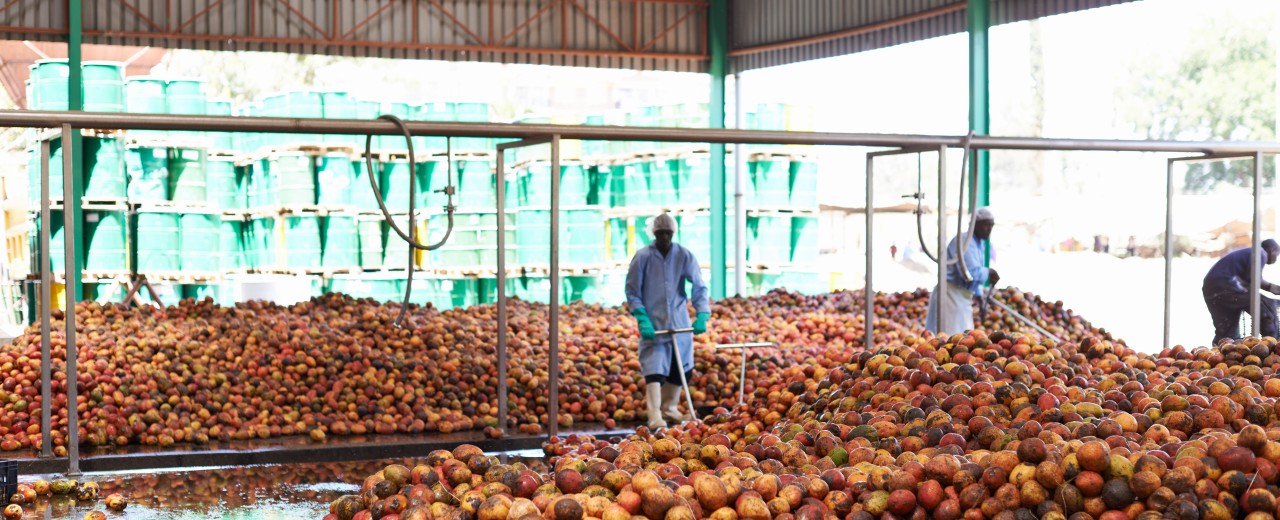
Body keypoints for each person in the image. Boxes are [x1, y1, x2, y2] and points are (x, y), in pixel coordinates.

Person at [625, 213, 710, 429]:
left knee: (680, 368)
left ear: (673, 233)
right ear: (654, 233)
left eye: (668, 233)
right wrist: (642, 317)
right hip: (654, 324)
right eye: (660, 233)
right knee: (654, 369)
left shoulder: (684, 255)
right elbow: (632, 290)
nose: (664, 237)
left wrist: (702, 313)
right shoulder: (643, 257)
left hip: (680, 323)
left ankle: (670, 408)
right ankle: (654, 414)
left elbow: (698, 286)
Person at [925, 207, 999, 334]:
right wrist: (989, 272)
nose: (989, 229)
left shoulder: (979, 243)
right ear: (974, 224)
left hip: (962, 297)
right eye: (986, 225)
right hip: (950, 295)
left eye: (991, 225)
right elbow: (970, 273)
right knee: (950, 340)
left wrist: (979, 296)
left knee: (964, 340)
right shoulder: (965, 241)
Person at [1202, 239, 1280, 344]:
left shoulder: (1248, 253)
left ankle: (1219, 354)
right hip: (1225, 284)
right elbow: (1255, 280)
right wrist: (1275, 289)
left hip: (1211, 289)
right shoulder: (1260, 253)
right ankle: (1272, 345)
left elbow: (1249, 282)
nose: (1277, 257)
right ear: (1272, 250)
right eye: (1278, 254)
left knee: (1227, 334)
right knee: (1266, 306)